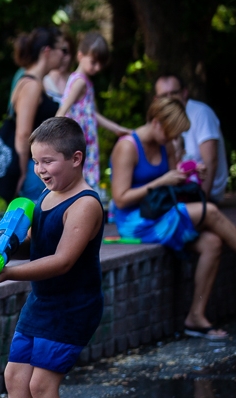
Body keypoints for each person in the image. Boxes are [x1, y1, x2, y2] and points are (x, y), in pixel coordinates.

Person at [0, 117, 105, 398]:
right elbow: (38, 246)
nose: (40, 170)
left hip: (73, 306)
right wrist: (4, 248)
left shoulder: (84, 204)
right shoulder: (45, 196)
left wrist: (9, 274)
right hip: (42, 301)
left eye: (49, 161)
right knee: (16, 377)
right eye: (36, 162)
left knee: (41, 385)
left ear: (76, 158)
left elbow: (62, 260)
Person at [109, 96, 236, 339]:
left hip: (161, 212)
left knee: (212, 243)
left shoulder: (164, 144)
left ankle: (195, 317)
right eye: (170, 133)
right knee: (210, 211)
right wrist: (161, 181)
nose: (173, 139)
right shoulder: (127, 147)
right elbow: (121, 199)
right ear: (156, 122)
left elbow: (171, 184)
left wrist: (188, 174)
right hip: (135, 221)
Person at [56, 32, 129, 190]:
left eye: (101, 64)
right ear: (80, 56)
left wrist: (116, 128)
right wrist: (54, 136)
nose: (98, 68)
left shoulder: (84, 82)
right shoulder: (80, 82)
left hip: (84, 140)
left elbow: (92, 114)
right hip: (78, 139)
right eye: (94, 62)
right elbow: (62, 109)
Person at [10, 27, 68, 203]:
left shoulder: (35, 82)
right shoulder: (31, 85)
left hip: (35, 166)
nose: (64, 56)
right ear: (47, 51)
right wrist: (22, 173)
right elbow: (23, 133)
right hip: (32, 169)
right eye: (62, 50)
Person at [154, 74, 230, 202]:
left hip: (204, 193)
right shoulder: (160, 121)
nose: (169, 99)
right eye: (164, 96)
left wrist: (202, 201)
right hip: (183, 189)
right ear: (156, 99)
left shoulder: (201, 113)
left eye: (174, 93)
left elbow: (211, 161)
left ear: (184, 93)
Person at [43, 34, 74, 104]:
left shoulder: (78, 80)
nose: (61, 56)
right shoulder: (42, 81)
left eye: (65, 52)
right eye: (59, 51)